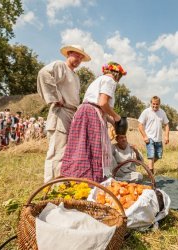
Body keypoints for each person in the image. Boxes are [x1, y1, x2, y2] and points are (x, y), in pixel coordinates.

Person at [60, 62, 127, 182]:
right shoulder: (109, 80)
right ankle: (91, 181)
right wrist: (117, 117)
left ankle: (75, 178)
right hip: (91, 115)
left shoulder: (99, 80)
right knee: (93, 149)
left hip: (85, 112)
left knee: (82, 148)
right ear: (117, 74)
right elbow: (102, 103)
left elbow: (99, 105)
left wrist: (112, 122)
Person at [37, 44, 91, 183]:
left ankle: (61, 181)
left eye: (81, 57)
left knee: (66, 151)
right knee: (57, 151)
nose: (78, 59)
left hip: (71, 113)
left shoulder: (76, 76)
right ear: (69, 54)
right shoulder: (61, 65)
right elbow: (44, 73)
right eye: (76, 55)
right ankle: (50, 185)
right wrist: (56, 96)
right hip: (61, 112)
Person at [138, 96, 169, 174]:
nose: (155, 105)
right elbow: (140, 125)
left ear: (159, 104)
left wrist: (166, 136)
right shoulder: (146, 112)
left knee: (158, 155)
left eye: (157, 104)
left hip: (158, 139)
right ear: (151, 103)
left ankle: (148, 166)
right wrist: (145, 136)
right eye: (153, 104)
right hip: (149, 138)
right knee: (151, 155)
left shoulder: (162, 112)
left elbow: (166, 124)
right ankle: (151, 174)